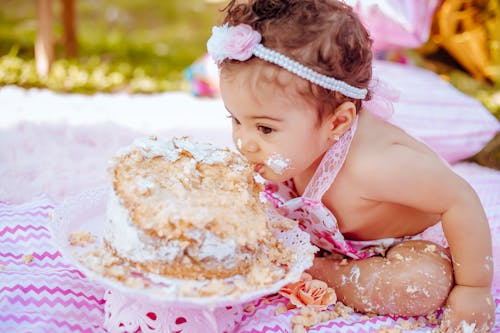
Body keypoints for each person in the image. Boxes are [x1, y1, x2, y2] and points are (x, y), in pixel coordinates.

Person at [206, 0, 495, 331]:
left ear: (338, 122)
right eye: (235, 119)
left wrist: (474, 288)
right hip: (331, 237)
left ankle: (319, 270)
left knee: (419, 285)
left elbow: (459, 198)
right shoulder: (292, 146)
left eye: (264, 128)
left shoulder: (377, 164)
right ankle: (304, 257)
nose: (245, 141)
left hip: (402, 244)